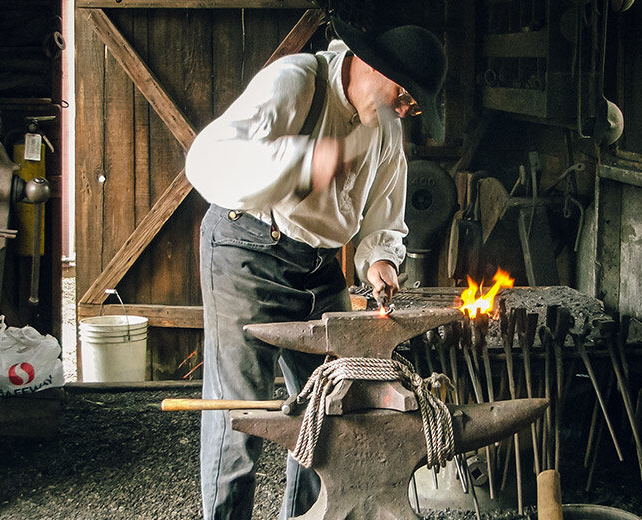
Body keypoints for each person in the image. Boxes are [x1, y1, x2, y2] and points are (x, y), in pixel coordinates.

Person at [184, 14, 447, 520]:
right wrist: (304, 162)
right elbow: (208, 160)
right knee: (240, 414)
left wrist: (380, 263)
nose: (410, 108)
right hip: (247, 250)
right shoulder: (297, 81)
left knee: (326, 415)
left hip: (319, 268)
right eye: (407, 93)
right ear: (371, 65)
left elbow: (383, 218)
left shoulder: (386, 130)